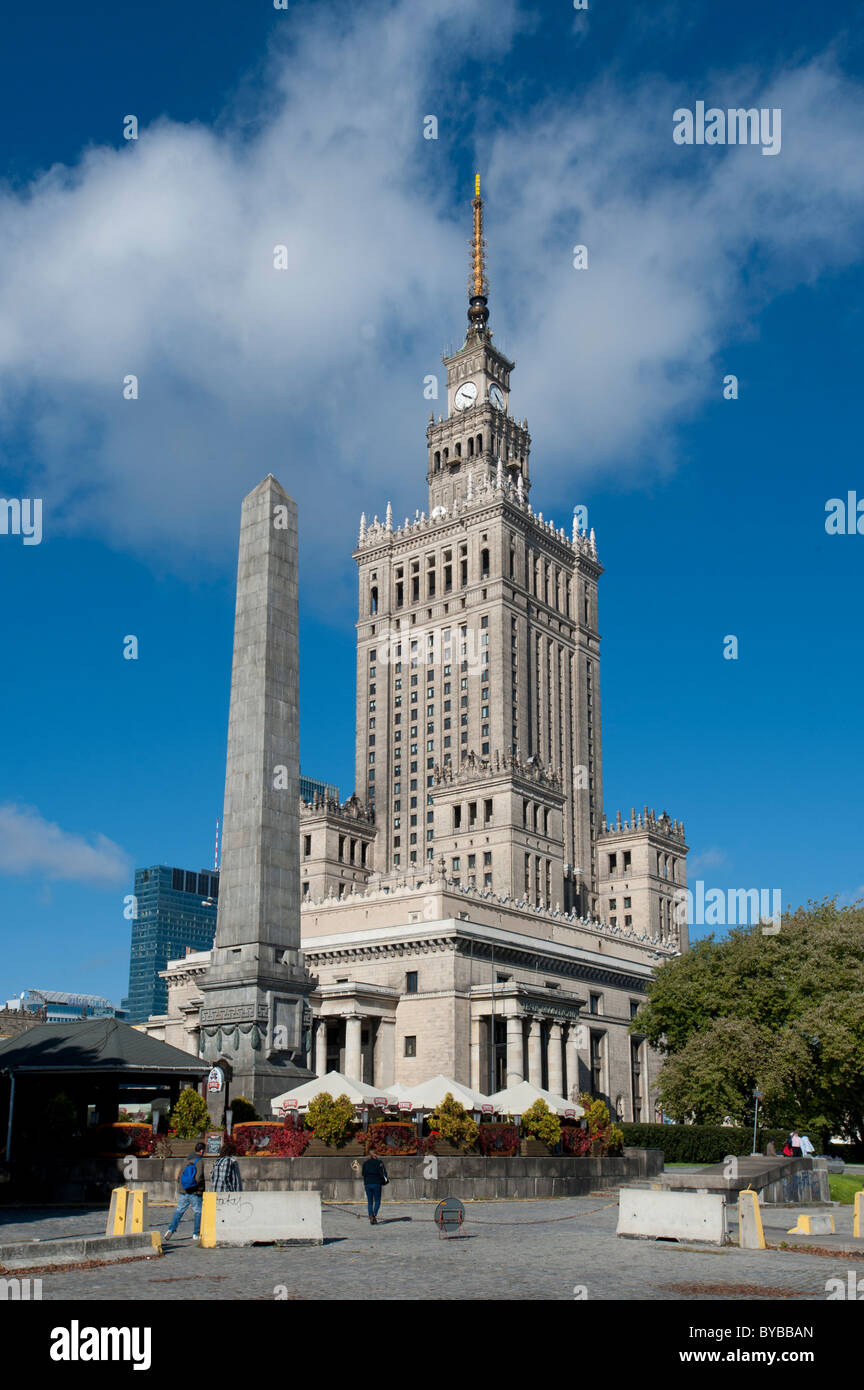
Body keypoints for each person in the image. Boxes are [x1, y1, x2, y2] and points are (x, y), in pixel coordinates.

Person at [163, 1140, 206, 1243]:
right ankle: (196, 1233)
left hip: (184, 1190)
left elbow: (180, 1174)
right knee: (198, 1211)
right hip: (195, 1191)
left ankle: (171, 1229)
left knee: (179, 1210)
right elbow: (199, 1176)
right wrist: (197, 1187)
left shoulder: (187, 1159)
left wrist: (182, 1186)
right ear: (201, 1151)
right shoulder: (199, 1161)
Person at [362, 1152, 388, 1224]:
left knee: (370, 1202)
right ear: (376, 1156)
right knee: (377, 1201)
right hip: (376, 1183)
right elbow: (384, 1173)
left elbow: (363, 1173)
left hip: (367, 1183)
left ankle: (371, 1216)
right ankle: (374, 1215)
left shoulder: (365, 1163)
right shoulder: (379, 1163)